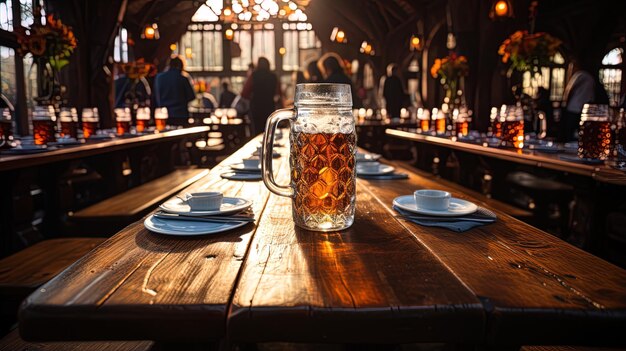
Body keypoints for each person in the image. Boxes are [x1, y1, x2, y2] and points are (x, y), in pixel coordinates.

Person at [241, 57, 281, 135]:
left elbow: (244, 93)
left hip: (256, 108)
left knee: (256, 131)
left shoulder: (253, 76)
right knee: (269, 130)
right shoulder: (273, 77)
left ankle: (257, 146)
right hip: (269, 107)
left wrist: (253, 98)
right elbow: (279, 93)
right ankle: (268, 146)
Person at [559, 59, 595, 141]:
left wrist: (564, 103)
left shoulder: (579, 75)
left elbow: (569, 90)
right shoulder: (590, 77)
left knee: (569, 132)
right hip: (583, 109)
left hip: (573, 108)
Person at [154, 55, 195, 121]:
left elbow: (157, 96)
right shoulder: (183, 78)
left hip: (164, 114)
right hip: (181, 114)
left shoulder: (159, 78)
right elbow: (191, 96)